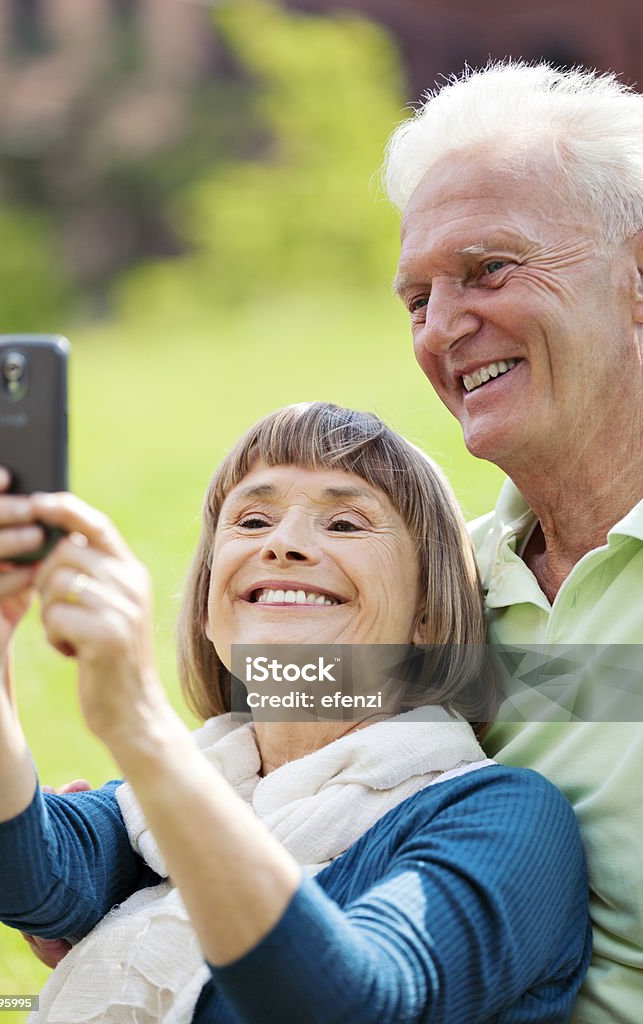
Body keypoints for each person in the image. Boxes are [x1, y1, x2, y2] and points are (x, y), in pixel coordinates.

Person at [0, 403, 589, 1023]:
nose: (283, 545)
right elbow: (24, 871)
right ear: (210, 604)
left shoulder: (505, 818)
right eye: (253, 520)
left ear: (427, 611)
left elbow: (354, 1004)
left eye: (344, 524)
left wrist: (139, 726)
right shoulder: (193, 788)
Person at [383, 62, 643, 1023]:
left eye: (489, 269)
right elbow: (282, 726)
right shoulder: (437, 587)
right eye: (416, 299)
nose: (444, 327)